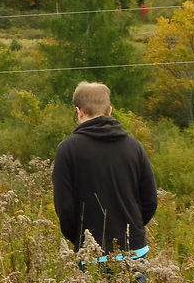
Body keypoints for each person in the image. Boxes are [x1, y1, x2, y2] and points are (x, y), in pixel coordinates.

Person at [52, 81, 158, 267]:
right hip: (135, 251)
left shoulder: (67, 150)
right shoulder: (134, 147)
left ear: (79, 111)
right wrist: (132, 230)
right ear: (110, 110)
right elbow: (150, 201)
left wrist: (81, 240)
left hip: (92, 255)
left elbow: (65, 209)